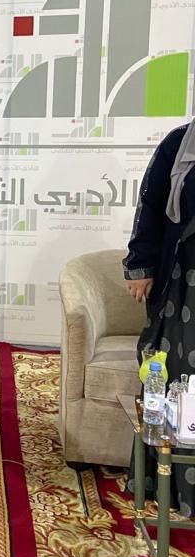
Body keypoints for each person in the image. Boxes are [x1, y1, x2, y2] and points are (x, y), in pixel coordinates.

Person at [124, 119, 195, 512]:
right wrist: (140, 265)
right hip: (182, 285)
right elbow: (150, 206)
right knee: (175, 382)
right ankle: (174, 488)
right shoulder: (180, 143)